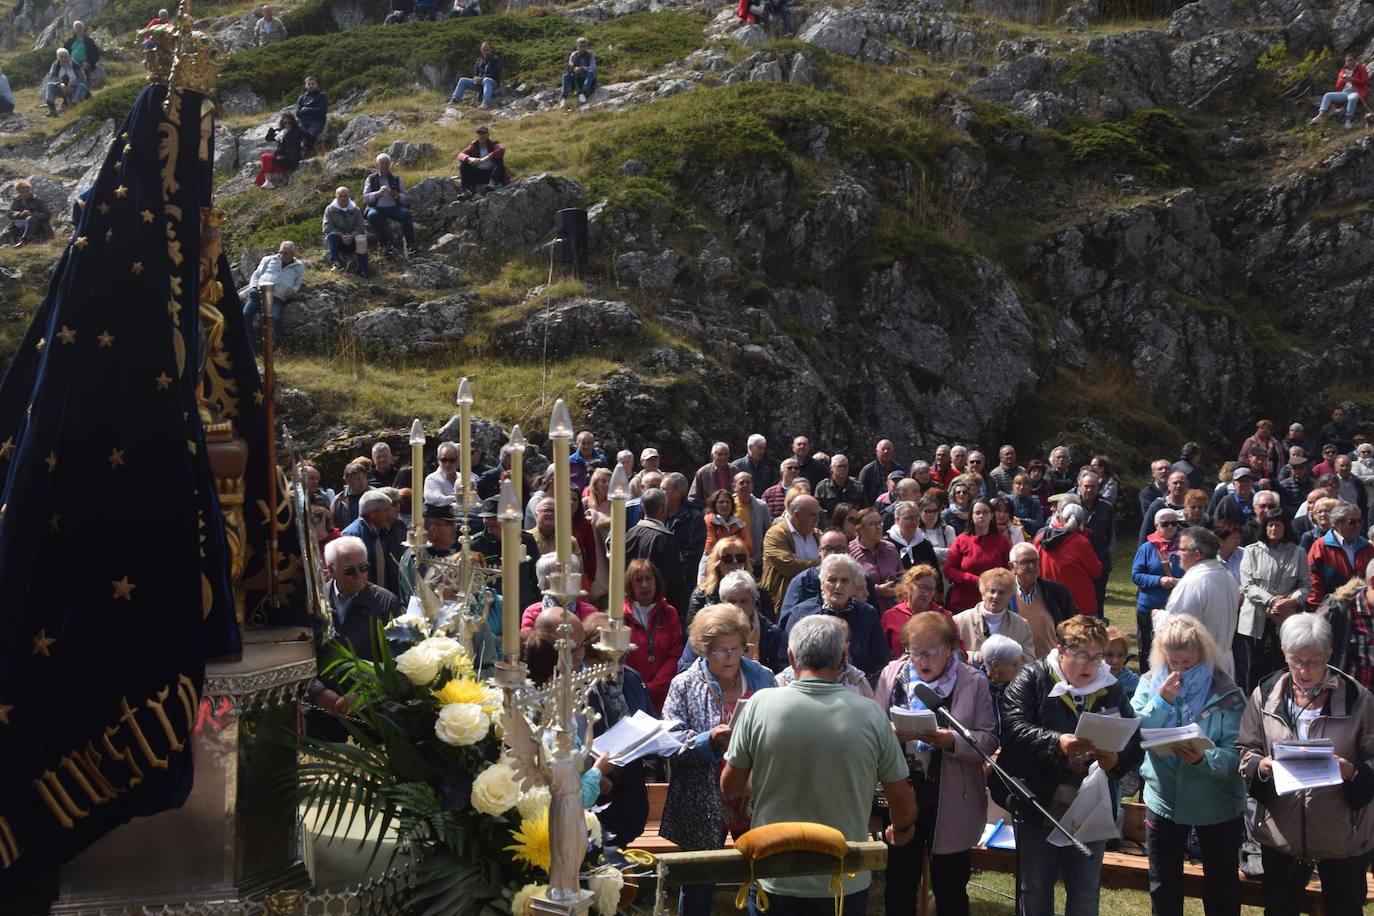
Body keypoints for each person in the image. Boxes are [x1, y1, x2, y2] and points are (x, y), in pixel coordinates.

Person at [721, 614, 916, 916]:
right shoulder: (872, 714)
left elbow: (730, 785)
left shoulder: (760, 704)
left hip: (773, 872)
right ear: (842, 659)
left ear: (791, 657)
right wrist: (902, 828)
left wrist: (767, 779)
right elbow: (903, 805)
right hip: (843, 878)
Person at [996, 614, 1144, 916]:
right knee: (1036, 887)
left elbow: (1134, 738)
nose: (1092, 665)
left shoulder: (1110, 686)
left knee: (1086, 890)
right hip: (1039, 802)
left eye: (1097, 657)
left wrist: (1117, 759)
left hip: (1091, 806)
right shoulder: (1032, 678)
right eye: (1082, 656)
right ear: (1061, 652)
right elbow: (1012, 728)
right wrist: (1056, 742)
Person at [1238, 613, 1374, 916]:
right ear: (1285, 655)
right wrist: (1261, 766)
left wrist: (1352, 771)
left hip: (1343, 839)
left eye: (1313, 661)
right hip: (1282, 837)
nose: (1303, 670)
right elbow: (1246, 749)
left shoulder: (1358, 699)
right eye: (1295, 660)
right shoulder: (1265, 695)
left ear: (1328, 654)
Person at [874, 611, 996, 916]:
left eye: (931, 652)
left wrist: (952, 741)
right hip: (901, 794)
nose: (921, 660)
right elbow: (873, 724)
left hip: (952, 799)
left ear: (950, 649)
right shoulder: (893, 675)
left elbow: (989, 739)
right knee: (900, 882)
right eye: (915, 652)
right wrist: (890, 732)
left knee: (951, 887)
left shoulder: (972, 682)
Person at [659, 603, 774, 915]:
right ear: (704, 650)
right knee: (698, 881)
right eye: (722, 650)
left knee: (761, 879)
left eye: (737, 648)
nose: (732, 657)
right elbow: (669, 742)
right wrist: (706, 741)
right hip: (702, 798)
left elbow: (781, 725)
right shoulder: (683, 684)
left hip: (753, 797)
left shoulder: (763, 678)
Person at [1128, 614, 1246, 916]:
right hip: (1164, 798)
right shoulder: (1149, 683)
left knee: (1221, 888)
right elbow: (1133, 731)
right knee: (1164, 885)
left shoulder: (1227, 693)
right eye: (1172, 663)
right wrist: (1162, 701)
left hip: (1215, 802)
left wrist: (1205, 759)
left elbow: (1238, 755)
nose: (1178, 670)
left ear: (1203, 655)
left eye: (1187, 664)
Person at [308, 536, 403, 716]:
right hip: (320, 709)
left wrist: (364, 694)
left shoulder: (386, 603)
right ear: (331, 570)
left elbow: (398, 664)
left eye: (363, 568)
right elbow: (303, 658)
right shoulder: (314, 604)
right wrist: (319, 692)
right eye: (350, 570)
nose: (359, 575)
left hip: (369, 711)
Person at [782, 553, 886, 678]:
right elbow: (785, 658)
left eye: (845, 581)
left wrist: (863, 685)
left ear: (853, 587)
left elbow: (881, 661)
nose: (838, 586)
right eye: (832, 580)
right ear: (821, 584)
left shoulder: (867, 614)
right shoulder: (801, 613)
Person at [1239, 509, 1308, 692]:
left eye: (1278, 524)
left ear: (1286, 527)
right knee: (1254, 665)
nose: (1274, 528)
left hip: (1285, 617)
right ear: (1264, 526)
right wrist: (1271, 600)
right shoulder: (1251, 551)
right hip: (1255, 617)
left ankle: (1282, 700)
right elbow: (1247, 585)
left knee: (1283, 662)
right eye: (1270, 524)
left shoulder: (1298, 552)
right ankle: (1252, 705)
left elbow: (1305, 585)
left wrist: (1292, 601)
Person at [1163, 527, 1241, 677]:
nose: (1178, 553)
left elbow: (1176, 630)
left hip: (1196, 668)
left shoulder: (1193, 583)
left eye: (1181, 549)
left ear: (1197, 554)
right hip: (1223, 664)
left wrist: (1158, 617)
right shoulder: (1229, 578)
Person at [678, 570, 784, 672]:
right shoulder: (704, 628)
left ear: (754, 602)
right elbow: (684, 667)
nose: (738, 607)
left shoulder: (771, 633)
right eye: (732, 601)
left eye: (744, 601)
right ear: (722, 602)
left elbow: (780, 671)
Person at [621, 558, 684, 712]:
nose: (645, 585)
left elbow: (675, 655)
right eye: (638, 580)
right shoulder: (619, 617)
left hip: (664, 693)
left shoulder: (669, 613)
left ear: (656, 582)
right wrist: (638, 686)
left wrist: (654, 686)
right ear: (630, 585)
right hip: (631, 694)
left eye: (649, 578)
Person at [625, 488, 688, 624]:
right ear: (662, 509)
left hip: (629, 607)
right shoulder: (665, 540)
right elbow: (674, 582)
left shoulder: (629, 534)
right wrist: (680, 611)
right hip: (658, 613)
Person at [1008, 542, 1077, 659]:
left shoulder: (1056, 591)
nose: (1031, 566)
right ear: (1012, 567)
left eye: (1034, 561)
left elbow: (1071, 624)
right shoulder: (1005, 593)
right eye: (1025, 562)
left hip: (1050, 663)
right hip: (1016, 664)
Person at [1131, 507, 1184, 663]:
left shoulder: (1184, 547)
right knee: (1148, 648)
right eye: (1165, 524)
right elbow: (1136, 576)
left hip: (1177, 607)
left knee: (1175, 647)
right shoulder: (1147, 548)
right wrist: (1159, 581)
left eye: (1174, 524)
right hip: (1149, 606)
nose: (1170, 527)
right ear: (1156, 526)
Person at [943, 499, 1012, 612]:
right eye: (977, 512)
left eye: (985, 512)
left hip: (993, 603)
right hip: (963, 603)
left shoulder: (1002, 541)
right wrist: (976, 580)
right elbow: (949, 570)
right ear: (971, 516)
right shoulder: (961, 540)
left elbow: (1008, 571)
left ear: (992, 515)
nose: (981, 516)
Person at [953, 567, 1034, 662]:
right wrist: (975, 657)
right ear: (983, 593)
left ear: (1009, 597)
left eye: (1001, 593)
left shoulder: (1021, 625)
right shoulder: (959, 621)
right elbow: (950, 655)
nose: (996, 596)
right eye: (992, 591)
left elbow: (1030, 658)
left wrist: (1009, 660)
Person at [880, 564, 956, 658]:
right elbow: (881, 653)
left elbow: (959, 650)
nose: (926, 593)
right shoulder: (890, 616)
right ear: (909, 586)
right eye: (922, 587)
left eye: (931, 589)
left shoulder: (944, 616)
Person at [1307, 502, 1374, 608]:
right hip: (1331, 607)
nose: (1358, 525)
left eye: (1360, 521)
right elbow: (1313, 580)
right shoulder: (1321, 547)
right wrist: (1318, 608)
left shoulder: (1367, 547)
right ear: (1337, 523)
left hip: (1364, 608)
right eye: (1352, 522)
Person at [761, 494, 821, 610]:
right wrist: (822, 564)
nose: (817, 519)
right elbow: (789, 567)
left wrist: (801, 562)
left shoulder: (818, 534)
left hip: (815, 602)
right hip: (785, 604)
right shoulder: (775, 534)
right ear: (797, 515)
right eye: (813, 515)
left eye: (818, 514)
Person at [240, 241, 305, 346]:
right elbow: (256, 275)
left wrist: (293, 290)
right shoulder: (268, 259)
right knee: (246, 314)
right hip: (259, 294)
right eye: (280, 252)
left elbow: (297, 284)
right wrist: (253, 288)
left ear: (292, 254)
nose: (281, 255)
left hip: (277, 298)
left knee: (276, 319)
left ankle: (274, 347)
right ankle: (249, 344)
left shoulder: (299, 266)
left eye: (285, 253)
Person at [396, 501, 459, 603]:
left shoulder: (450, 553)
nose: (454, 529)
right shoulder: (416, 557)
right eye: (450, 524)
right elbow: (417, 598)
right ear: (434, 529)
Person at [340, 490, 400, 595]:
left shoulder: (383, 533)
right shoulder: (351, 537)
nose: (389, 514)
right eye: (386, 510)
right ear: (372, 513)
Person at [363, 153, 417, 255]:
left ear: (390, 164)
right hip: (376, 207)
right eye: (381, 163)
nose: (384, 165)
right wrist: (377, 193)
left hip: (393, 208)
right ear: (377, 165)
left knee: (406, 214)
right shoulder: (371, 179)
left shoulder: (396, 179)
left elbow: (405, 199)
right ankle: (387, 243)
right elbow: (365, 198)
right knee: (372, 216)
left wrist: (396, 195)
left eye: (386, 163)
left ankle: (411, 244)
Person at [850, 507, 901, 611]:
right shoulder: (850, 552)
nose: (878, 527)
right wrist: (878, 590)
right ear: (860, 529)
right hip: (864, 611)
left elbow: (902, 575)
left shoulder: (890, 548)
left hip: (893, 609)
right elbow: (849, 586)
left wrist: (897, 588)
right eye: (872, 524)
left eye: (880, 523)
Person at [322, 186, 369, 276]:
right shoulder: (330, 210)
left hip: (352, 240)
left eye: (345, 196)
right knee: (331, 236)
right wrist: (341, 236)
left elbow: (361, 227)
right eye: (340, 196)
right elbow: (327, 227)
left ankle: (363, 269)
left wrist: (352, 236)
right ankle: (336, 264)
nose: (343, 198)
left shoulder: (355, 210)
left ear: (349, 197)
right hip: (338, 241)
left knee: (362, 239)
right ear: (336, 197)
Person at [1311, 54, 1369, 128]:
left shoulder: (1361, 68)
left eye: (1351, 60)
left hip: (1357, 92)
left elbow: (1365, 81)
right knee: (1327, 95)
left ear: (1355, 60)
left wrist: (1352, 79)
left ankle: (1348, 120)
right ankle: (1320, 115)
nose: (1349, 62)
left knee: (1352, 98)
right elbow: (1338, 87)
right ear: (1345, 63)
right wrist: (1342, 81)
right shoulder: (1343, 72)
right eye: (1347, 61)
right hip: (1345, 93)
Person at [254, 112, 305, 189]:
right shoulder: (281, 134)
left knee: (265, 157)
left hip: (289, 159)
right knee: (264, 166)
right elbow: (268, 138)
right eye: (284, 123)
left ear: (293, 122)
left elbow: (311, 137)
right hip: (280, 159)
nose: (287, 124)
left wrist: (304, 145)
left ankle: (266, 182)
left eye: (289, 122)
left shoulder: (297, 131)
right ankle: (260, 186)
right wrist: (273, 130)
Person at [702, 487, 749, 565]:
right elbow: (710, 546)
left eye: (728, 502)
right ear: (714, 505)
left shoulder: (738, 523)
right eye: (721, 502)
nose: (725, 505)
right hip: (712, 563)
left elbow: (748, 546)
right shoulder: (708, 520)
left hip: (736, 562)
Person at [450, 41, 502, 108]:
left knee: (486, 80)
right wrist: (475, 78)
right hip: (480, 84)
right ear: (481, 50)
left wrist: (481, 78)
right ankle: (455, 100)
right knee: (462, 80)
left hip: (492, 83)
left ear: (490, 49)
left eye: (487, 49)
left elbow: (494, 73)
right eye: (483, 49)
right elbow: (475, 74)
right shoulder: (479, 60)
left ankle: (486, 103)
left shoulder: (495, 59)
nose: (485, 51)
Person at [815, 453, 865, 519]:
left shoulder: (858, 487)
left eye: (845, 466)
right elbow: (817, 511)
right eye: (839, 466)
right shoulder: (822, 488)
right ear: (831, 468)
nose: (843, 469)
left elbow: (864, 511)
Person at [3, 180, 51, 247]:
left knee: (30, 219)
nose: (25, 194)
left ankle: (24, 241)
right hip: (21, 225)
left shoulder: (36, 200)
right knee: (7, 233)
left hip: (37, 225)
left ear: (29, 190)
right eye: (22, 192)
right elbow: (9, 213)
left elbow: (47, 215)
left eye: (27, 191)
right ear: (18, 192)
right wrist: (20, 214)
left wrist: (33, 214)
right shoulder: (17, 200)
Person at [44, 48, 88, 117]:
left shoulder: (75, 65)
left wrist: (72, 85)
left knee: (82, 85)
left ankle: (74, 104)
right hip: (61, 89)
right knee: (49, 85)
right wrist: (59, 84)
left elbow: (82, 78)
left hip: (74, 88)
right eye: (61, 57)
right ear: (58, 58)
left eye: (66, 56)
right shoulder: (55, 65)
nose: (64, 59)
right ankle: (52, 109)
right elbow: (52, 77)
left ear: (69, 56)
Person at [330, 460, 372, 529]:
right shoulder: (339, 501)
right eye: (357, 479)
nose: (362, 482)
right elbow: (333, 524)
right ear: (348, 481)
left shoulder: (375, 494)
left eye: (363, 478)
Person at [295, 76, 328, 152]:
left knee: (308, 136)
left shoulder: (322, 96)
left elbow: (322, 111)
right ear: (306, 86)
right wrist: (308, 111)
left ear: (316, 85)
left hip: (316, 121)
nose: (311, 86)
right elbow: (297, 113)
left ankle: (308, 154)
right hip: (303, 122)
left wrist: (308, 110)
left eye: (313, 84)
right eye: (309, 84)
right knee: (295, 137)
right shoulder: (302, 97)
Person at [561, 36, 597, 106]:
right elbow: (569, 71)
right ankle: (564, 98)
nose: (582, 48)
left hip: (587, 78)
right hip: (576, 78)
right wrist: (571, 66)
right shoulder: (573, 55)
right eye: (580, 46)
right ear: (577, 46)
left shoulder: (590, 54)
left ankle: (583, 92)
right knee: (565, 76)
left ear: (587, 47)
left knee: (591, 72)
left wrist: (582, 68)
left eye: (584, 46)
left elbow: (593, 67)